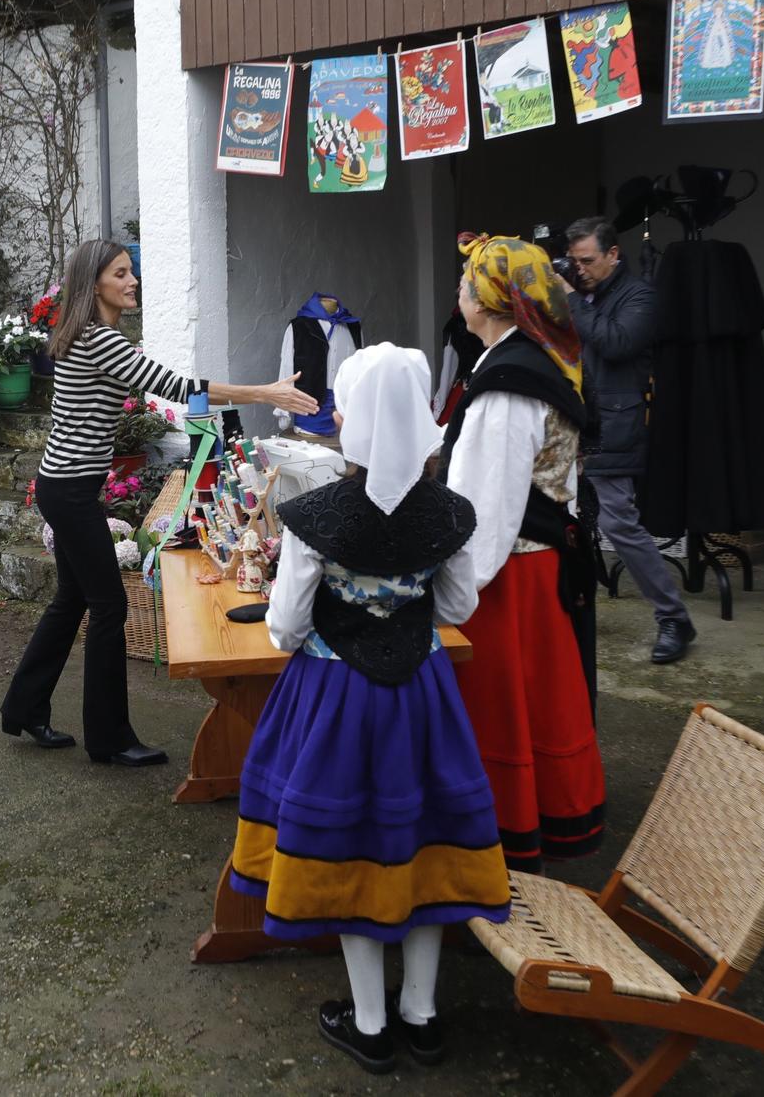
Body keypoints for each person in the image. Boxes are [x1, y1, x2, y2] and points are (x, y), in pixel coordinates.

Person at [231, 344, 510, 1074]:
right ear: (421, 421)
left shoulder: (314, 514)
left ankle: (371, 1019)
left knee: (352, 841)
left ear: (350, 421)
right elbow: (455, 604)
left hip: (336, 697)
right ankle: (421, 1013)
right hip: (421, 693)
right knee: (419, 841)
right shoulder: (450, 512)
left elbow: (286, 625)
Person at [0, 239, 317, 765]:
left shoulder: (87, 336)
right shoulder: (97, 340)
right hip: (70, 489)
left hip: (67, 485)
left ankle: (23, 708)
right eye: (121, 273)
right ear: (94, 282)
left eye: (132, 272)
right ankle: (108, 739)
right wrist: (267, 392)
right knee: (108, 605)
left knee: (73, 600)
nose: (132, 281)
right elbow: (177, 386)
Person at [442, 235, 605, 873]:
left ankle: (503, 837)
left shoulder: (508, 385)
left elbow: (487, 508)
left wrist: (454, 593)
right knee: (533, 703)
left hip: (510, 577)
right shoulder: (529, 360)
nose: (458, 291)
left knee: (502, 707)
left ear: (490, 299)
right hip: (536, 566)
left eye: (466, 282)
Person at [560, 217, 695, 663]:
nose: (579, 269)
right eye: (573, 261)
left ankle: (673, 618)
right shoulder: (581, 294)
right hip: (569, 417)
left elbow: (616, 343)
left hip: (614, 423)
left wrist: (571, 302)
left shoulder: (640, 296)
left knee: (619, 524)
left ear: (613, 254)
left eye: (588, 261)